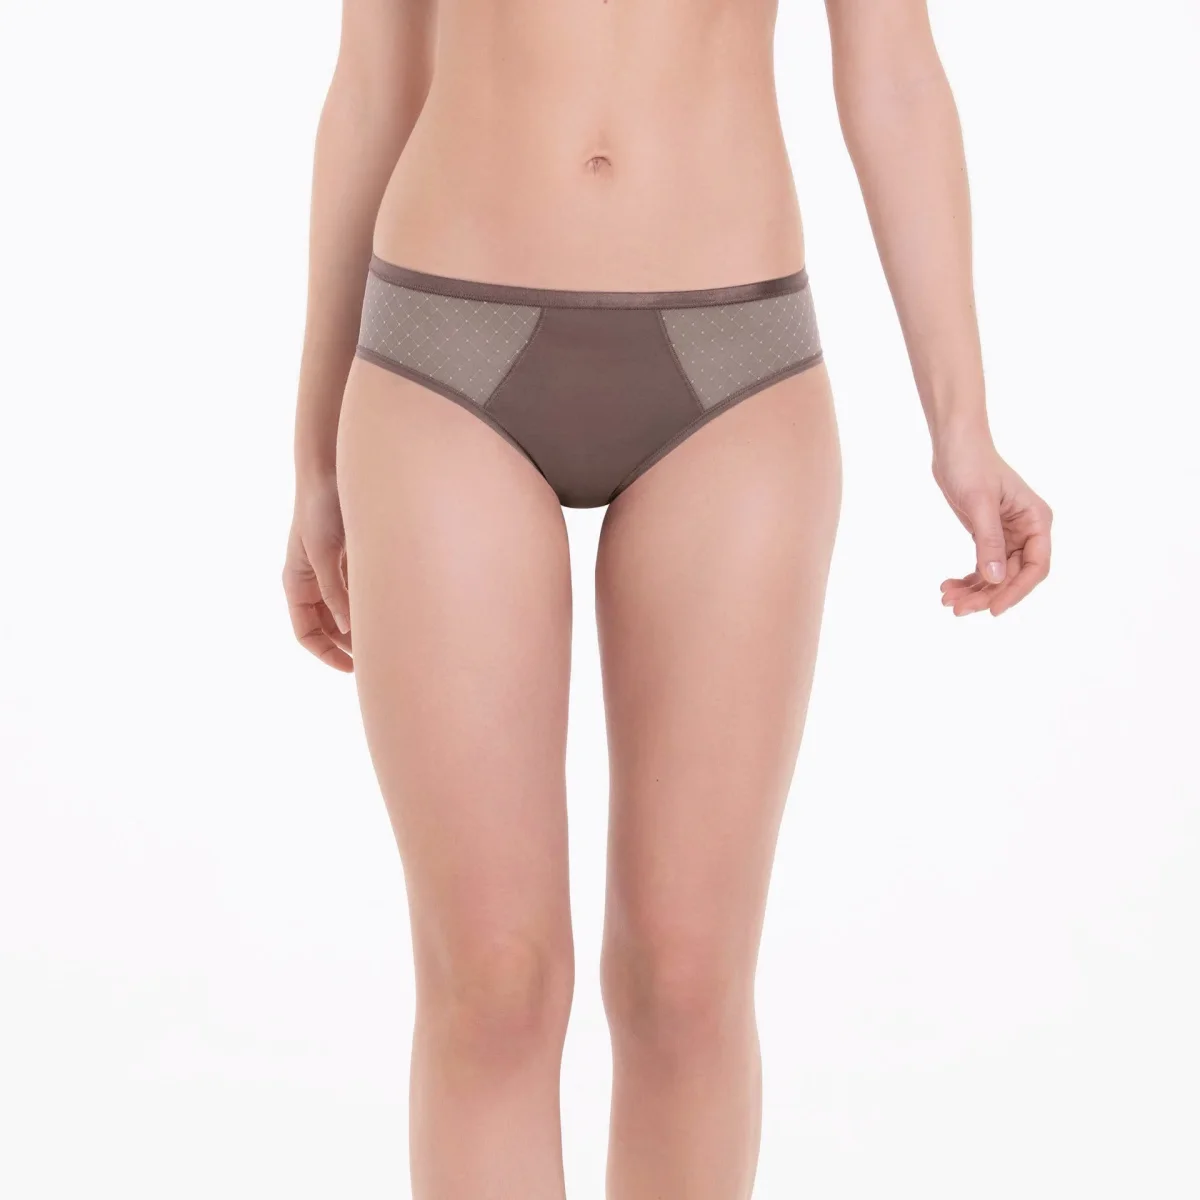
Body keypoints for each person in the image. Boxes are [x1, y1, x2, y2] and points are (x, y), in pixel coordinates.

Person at [282, 0, 1053, 1195]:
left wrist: (963, 425)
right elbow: (374, 78)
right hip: (443, 348)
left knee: (687, 983)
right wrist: (314, 457)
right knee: (492, 982)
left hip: (736, 361)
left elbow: (894, 70)